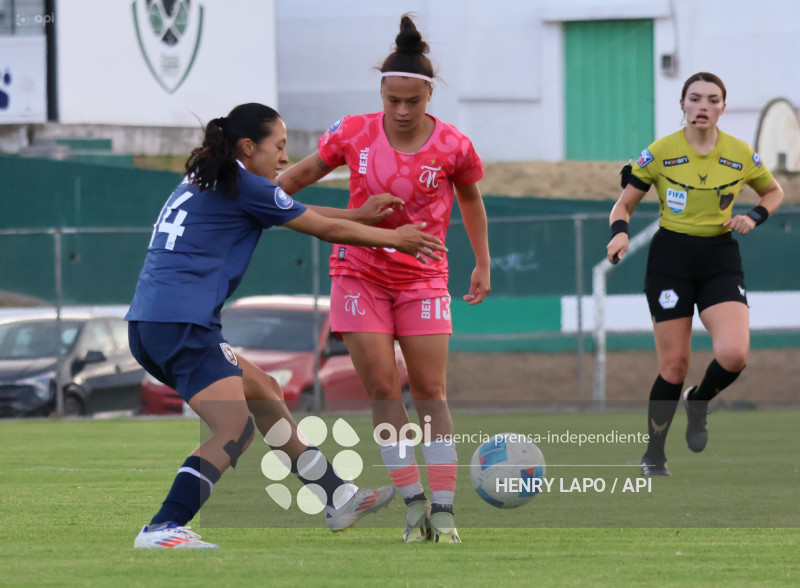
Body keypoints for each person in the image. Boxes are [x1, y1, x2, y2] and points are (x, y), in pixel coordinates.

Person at [126, 102, 447, 549]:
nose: (284, 157)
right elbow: (322, 229)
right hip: (182, 324)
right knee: (234, 428)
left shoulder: (209, 178)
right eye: (278, 146)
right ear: (247, 146)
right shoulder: (244, 185)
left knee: (264, 391)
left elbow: (291, 208)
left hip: (152, 322)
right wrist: (396, 238)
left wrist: (357, 215)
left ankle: (338, 498)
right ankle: (163, 526)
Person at [277, 15, 490, 543]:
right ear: (381, 93)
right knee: (382, 387)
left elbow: (470, 199)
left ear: (429, 95)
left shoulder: (454, 146)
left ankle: (445, 509)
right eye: (392, 99)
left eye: (412, 101)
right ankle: (413, 505)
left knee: (430, 391)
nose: (401, 110)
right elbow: (288, 184)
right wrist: (246, 198)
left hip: (423, 277)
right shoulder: (352, 132)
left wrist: (482, 261)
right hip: (359, 273)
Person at [606, 72, 784, 476]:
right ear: (683, 104)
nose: (703, 106)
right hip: (671, 260)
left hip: (719, 257)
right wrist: (619, 234)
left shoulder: (740, 153)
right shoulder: (660, 152)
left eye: (712, 99)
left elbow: (774, 191)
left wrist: (754, 216)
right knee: (673, 366)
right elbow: (623, 205)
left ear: (723, 107)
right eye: (695, 98)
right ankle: (654, 454)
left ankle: (699, 400)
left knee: (734, 355)